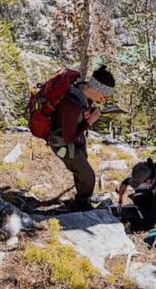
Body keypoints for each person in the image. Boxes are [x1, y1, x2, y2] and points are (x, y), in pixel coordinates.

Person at [48, 65, 115, 211]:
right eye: (104, 96)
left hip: (73, 140)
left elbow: (82, 114)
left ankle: (80, 202)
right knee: (88, 176)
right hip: (63, 145)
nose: (104, 100)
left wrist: (97, 114)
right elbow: (68, 138)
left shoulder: (81, 89)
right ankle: (81, 205)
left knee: (82, 172)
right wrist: (89, 122)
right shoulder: (71, 104)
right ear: (95, 89)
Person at [117, 158, 156, 231]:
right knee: (138, 198)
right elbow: (138, 177)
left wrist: (128, 221)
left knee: (151, 219)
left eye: (140, 183)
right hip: (155, 193)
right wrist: (125, 183)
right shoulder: (153, 168)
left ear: (148, 180)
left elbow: (150, 222)